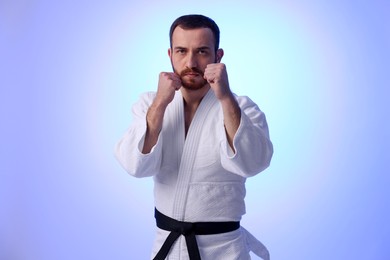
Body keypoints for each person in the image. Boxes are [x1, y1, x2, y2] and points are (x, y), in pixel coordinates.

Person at [115, 14, 273, 260]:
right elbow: (134, 165)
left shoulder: (243, 108)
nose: (190, 62)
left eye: (201, 51)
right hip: (166, 246)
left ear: (217, 57)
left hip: (224, 250)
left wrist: (224, 97)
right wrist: (160, 103)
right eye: (181, 51)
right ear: (170, 55)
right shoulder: (150, 104)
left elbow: (253, 164)